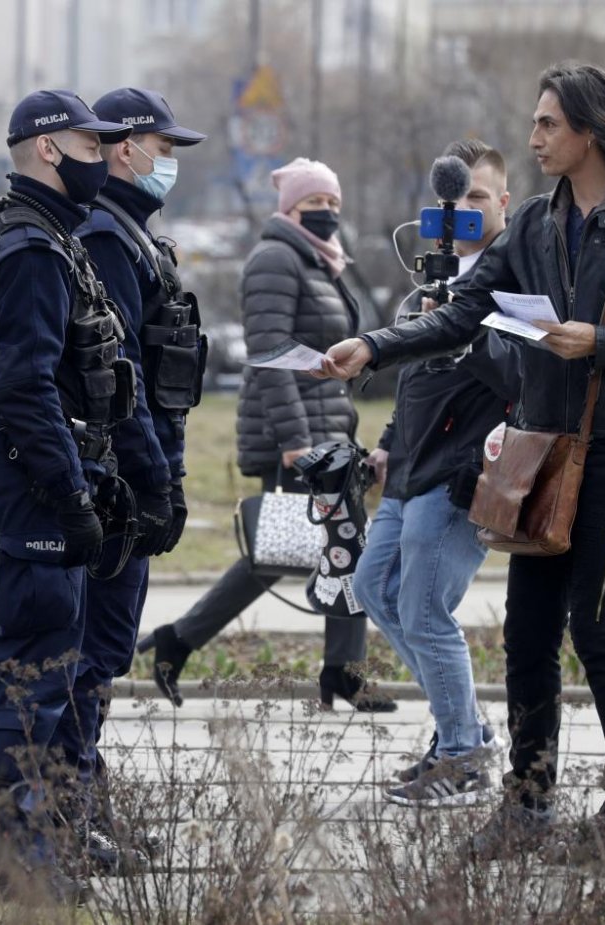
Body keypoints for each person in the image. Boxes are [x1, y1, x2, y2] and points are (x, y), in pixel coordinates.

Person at [318, 63, 605, 863]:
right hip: (539, 454)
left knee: (599, 630)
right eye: (535, 122)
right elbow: (465, 314)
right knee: (527, 634)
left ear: (593, 130)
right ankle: (526, 805)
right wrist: (376, 346)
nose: (533, 137)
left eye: (547, 124)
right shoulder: (535, 224)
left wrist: (599, 342)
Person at [139, 157, 395, 713]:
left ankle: (181, 642)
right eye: (315, 204)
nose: (326, 213)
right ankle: (338, 672)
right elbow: (271, 357)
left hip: (327, 431)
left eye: (333, 204)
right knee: (312, 550)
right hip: (297, 434)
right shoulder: (276, 259)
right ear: (290, 208)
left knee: (316, 552)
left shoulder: (317, 260)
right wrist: (295, 443)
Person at [0, 89, 132, 902]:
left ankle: (23, 852)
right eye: (88, 145)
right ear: (44, 150)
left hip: (47, 471)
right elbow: (25, 383)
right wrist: (69, 492)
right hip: (36, 479)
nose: (102, 158)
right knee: (29, 673)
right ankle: (15, 862)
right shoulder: (31, 246)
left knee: (38, 666)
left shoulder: (49, 236)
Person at [49, 86, 206, 866]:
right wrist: (154, 481)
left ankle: (84, 806)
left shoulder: (133, 234)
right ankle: (68, 820)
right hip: (117, 479)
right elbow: (122, 380)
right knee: (95, 653)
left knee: (100, 656)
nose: (169, 162)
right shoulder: (108, 237)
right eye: (163, 147)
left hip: (134, 473)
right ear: (124, 149)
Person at [356, 139, 519, 808]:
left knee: (425, 612)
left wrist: (465, 331)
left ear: (503, 204)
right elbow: (414, 382)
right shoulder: (433, 278)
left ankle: (462, 756)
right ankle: (466, 727)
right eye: (455, 201)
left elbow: (522, 371)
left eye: (479, 198)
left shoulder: (516, 273)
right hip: (410, 467)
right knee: (372, 586)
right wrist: (389, 443)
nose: (465, 212)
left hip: (462, 471)